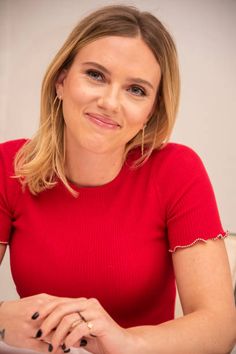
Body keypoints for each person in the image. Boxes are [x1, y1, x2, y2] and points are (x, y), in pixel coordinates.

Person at [0, 4, 235, 354]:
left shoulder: (177, 170)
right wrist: (2, 318)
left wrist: (127, 342)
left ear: (151, 111)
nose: (110, 102)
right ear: (61, 81)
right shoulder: (9, 165)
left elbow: (220, 328)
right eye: (96, 75)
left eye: (136, 90)